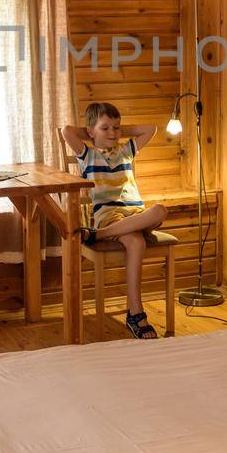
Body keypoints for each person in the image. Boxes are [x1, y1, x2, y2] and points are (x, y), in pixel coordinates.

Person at [61, 102, 167, 339]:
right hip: (109, 216)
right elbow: (67, 131)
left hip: (136, 215)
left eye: (116, 128)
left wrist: (116, 131)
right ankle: (136, 313)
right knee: (137, 243)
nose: (113, 133)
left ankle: (96, 236)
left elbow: (151, 128)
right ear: (91, 132)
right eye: (105, 128)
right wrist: (90, 130)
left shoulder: (126, 150)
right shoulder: (88, 155)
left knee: (160, 210)